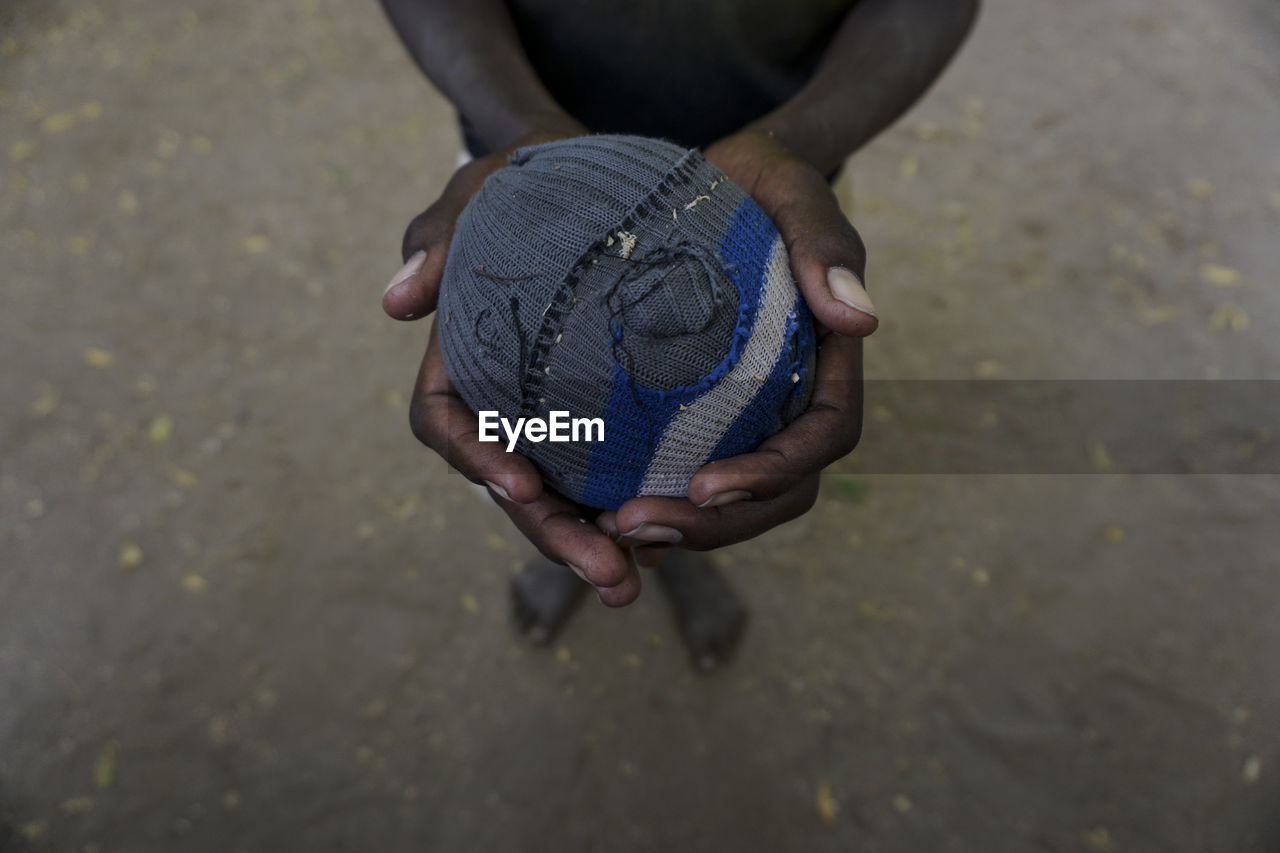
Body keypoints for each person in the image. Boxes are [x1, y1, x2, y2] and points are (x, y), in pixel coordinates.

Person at [376, 0, 978, 656]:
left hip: (771, 198)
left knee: (710, 469)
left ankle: (670, 546)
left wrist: (795, 143)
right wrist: (519, 122)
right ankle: (586, 548)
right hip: (522, 175)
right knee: (532, 459)